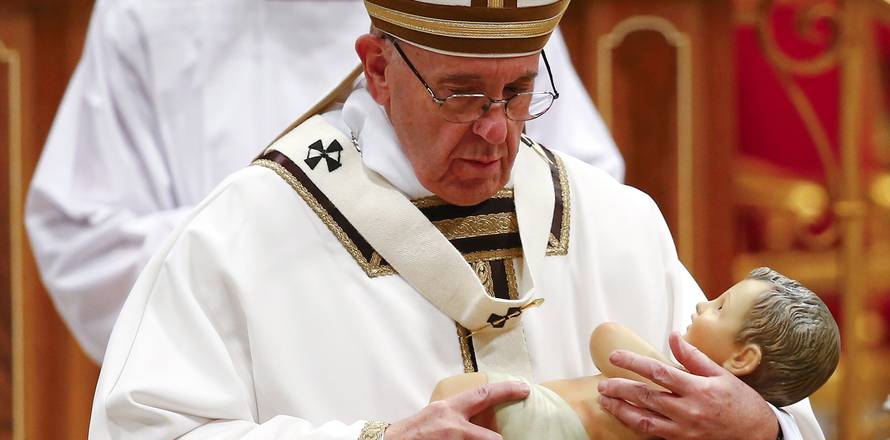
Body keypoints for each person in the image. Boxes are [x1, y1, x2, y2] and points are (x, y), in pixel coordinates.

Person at [85, 2, 834, 440]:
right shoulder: (243, 235)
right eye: (462, 93)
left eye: (518, 92)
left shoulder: (615, 223)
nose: (495, 131)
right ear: (376, 67)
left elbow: (749, 413)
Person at [25, 0, 624, 364]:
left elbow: (576, 203)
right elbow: (83, 238)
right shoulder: (147, 12)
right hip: (264, 387)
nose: (494, 120)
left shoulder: (461, 12)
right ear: (376, 68)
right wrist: (302, 259)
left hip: (467, 352)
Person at [388, 266, 841, 440]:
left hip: (550, 436)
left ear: (742, 360)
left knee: (461, 395)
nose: (702, 304)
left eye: (718, 307)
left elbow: (607, 341)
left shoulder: (670, 389)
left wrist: (649, 354)